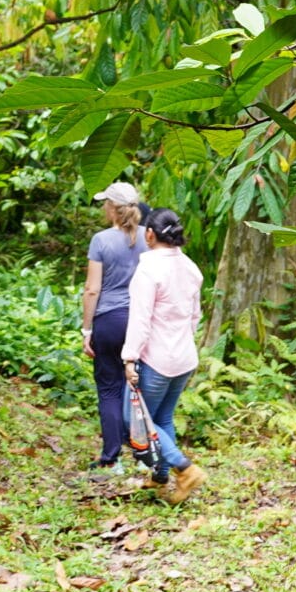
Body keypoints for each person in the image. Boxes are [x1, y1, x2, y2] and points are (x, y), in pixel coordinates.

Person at [121, 206, 205, 501]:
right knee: (164, 418)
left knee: (136, 420)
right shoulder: (191, 268)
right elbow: (195, 317)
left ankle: (185, 469)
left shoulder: (149, 269)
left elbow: (141, 320)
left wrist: (129, 358)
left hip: (156, 359)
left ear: (149, 234)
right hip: (184, 357)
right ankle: (160, 477)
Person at [77, 181, 147, 472]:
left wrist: (86, 329)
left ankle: (112, 457)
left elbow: (92, 289)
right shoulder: (150, 237)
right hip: (141, 320)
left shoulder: (101, 240)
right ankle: (144, 455)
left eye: (105, 203)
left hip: (109, 319)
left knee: (109, 389)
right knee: (139, 386)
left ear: (112, 208)